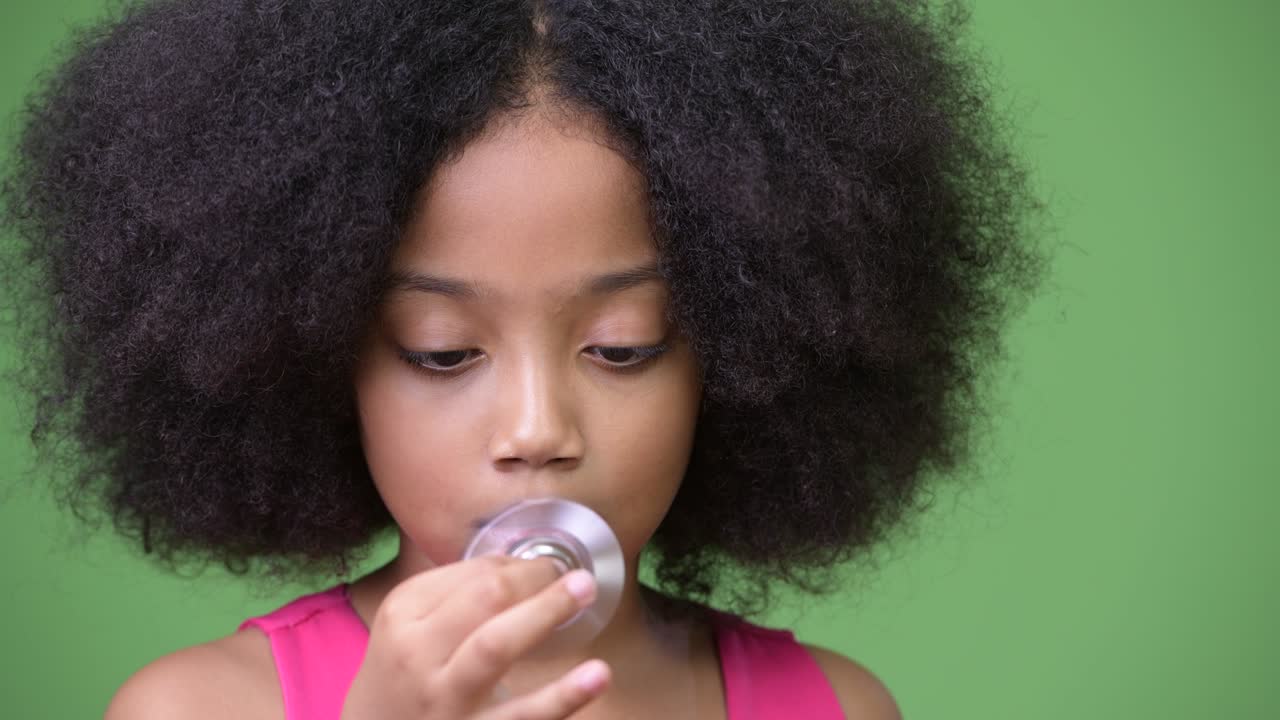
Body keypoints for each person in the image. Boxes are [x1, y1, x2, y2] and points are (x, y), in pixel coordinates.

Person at [0, 0, 1051, 717]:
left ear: (738, 359)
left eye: (623, 346)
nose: (537, 431)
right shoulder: (198, 708)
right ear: (315, 362)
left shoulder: (833, 708)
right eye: (443, 352)